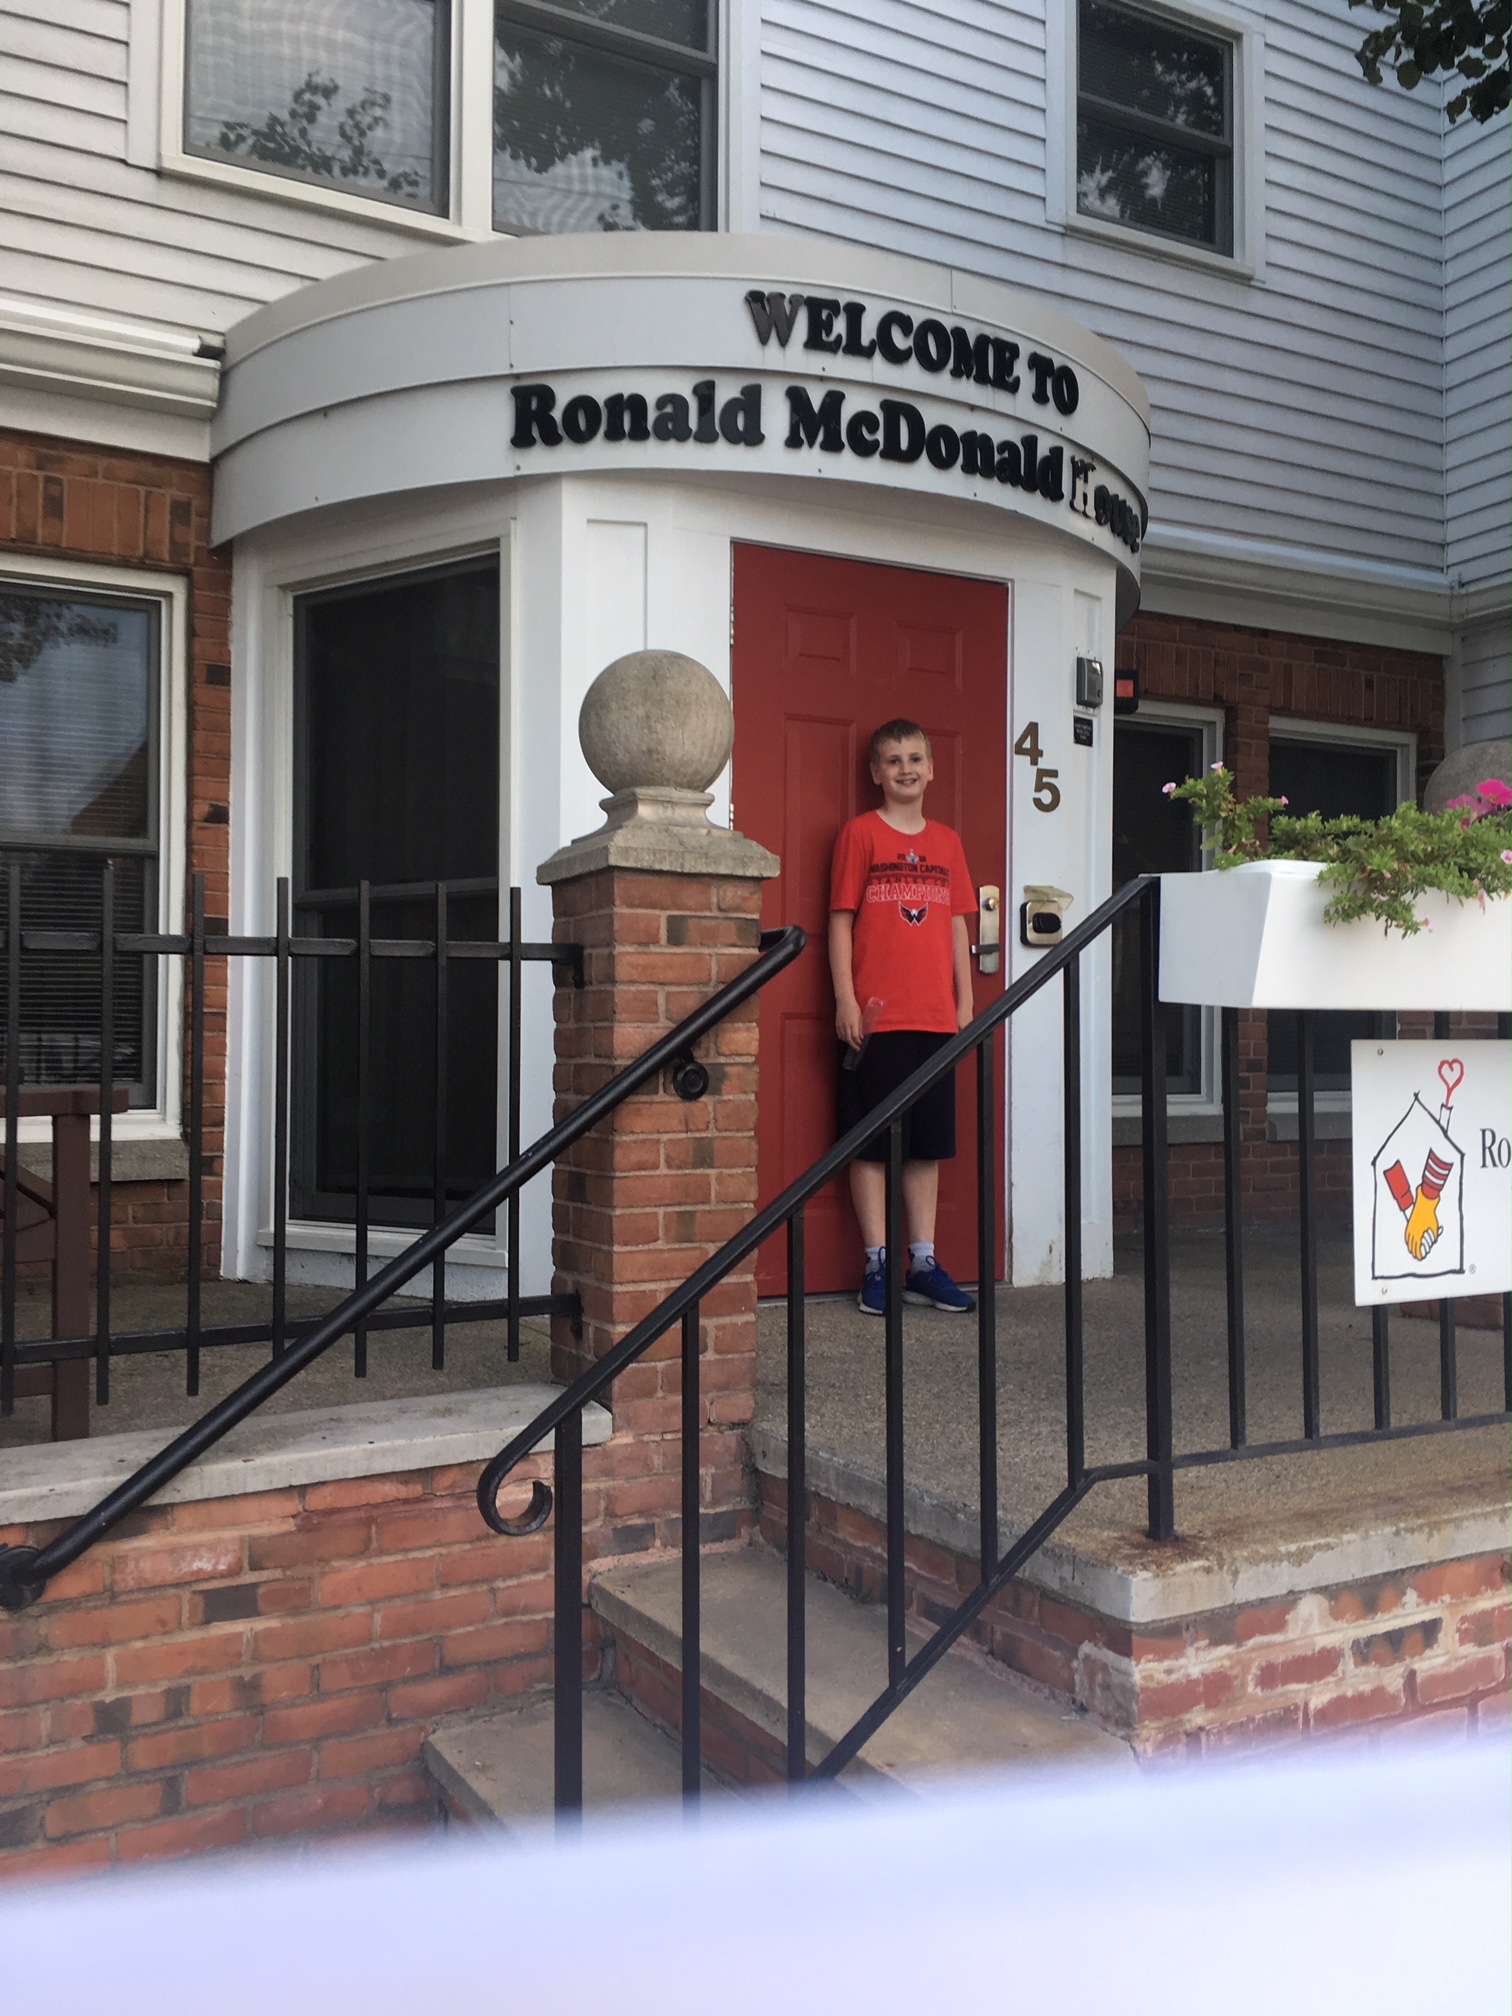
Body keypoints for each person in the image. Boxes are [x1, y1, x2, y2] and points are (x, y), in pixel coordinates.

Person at [829, 719, 978, 1316]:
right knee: (869, 1143)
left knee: (925, 1145)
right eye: (893, 760)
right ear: (876, 773)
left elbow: (958, 922)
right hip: (876, 1019)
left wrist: (965, 1000)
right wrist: (845, 999)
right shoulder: (860, 835)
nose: (906, 769)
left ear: (932, 769)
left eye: (915, 758)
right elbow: (841, 920)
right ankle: (877, 1262)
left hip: (936, 1019)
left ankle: (922, 1262)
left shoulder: (947, 842)